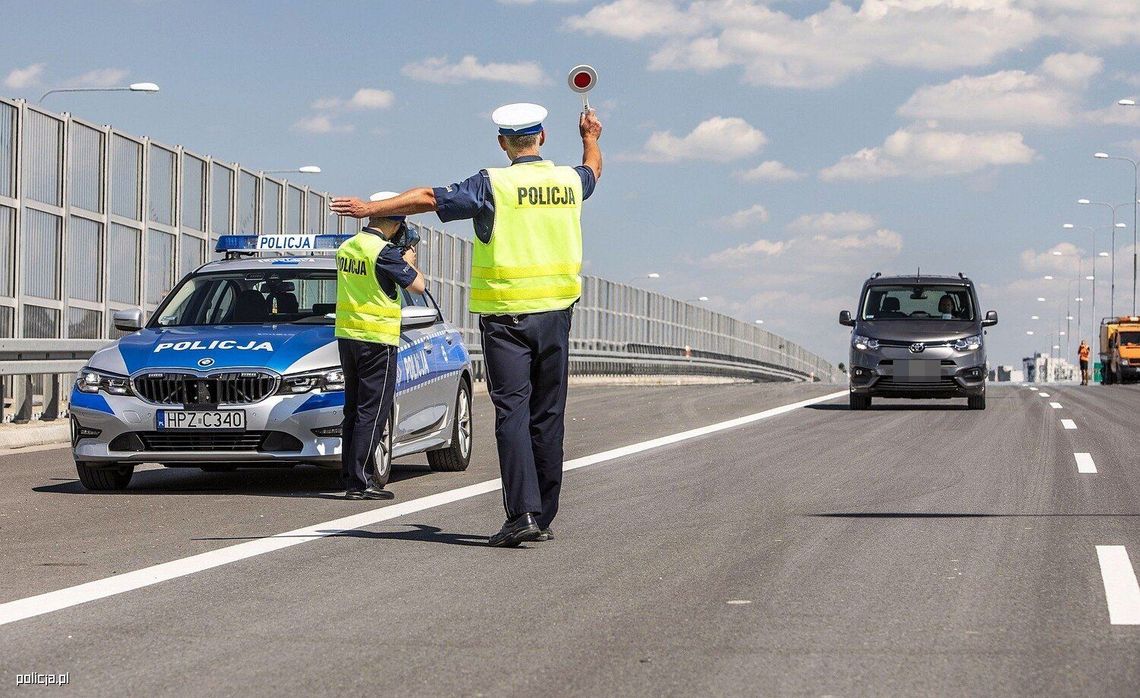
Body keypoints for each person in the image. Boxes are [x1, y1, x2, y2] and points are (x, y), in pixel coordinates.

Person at [331, 103, 603, 546]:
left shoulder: (491, 184)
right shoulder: (568, 181)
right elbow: (593, 168)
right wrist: (591, 135)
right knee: (548, 415)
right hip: (556, 316)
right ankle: (545, 515)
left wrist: (370, 207)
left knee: (511, 411)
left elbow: (428, 198)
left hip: (506, 319)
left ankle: (523, 514)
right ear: (543, 138)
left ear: (502, 143)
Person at [335, 192, 425, 500]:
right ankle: (362, 482)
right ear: (395, 221)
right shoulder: (384, 253)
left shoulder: (347, 247)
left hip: (347, 337)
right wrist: (408, 261)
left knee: (353, 409)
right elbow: (418, 286)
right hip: (377, 340)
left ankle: (350, 477)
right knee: (373, 410)